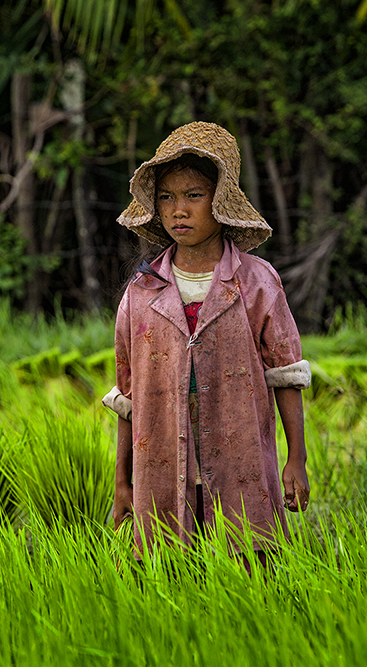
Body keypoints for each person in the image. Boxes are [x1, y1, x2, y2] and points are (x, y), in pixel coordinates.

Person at [102, 121, 311, 562]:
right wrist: (122, 482)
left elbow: (285, 376)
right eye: (166, 198)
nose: (179, 210)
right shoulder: (141, 292)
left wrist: (297, 460)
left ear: (220, 202)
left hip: (242, 460)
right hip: (161, 464)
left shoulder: (256, 283)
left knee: (252, 566)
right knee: (167, 573)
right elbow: (128, 395)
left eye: (193, 196)